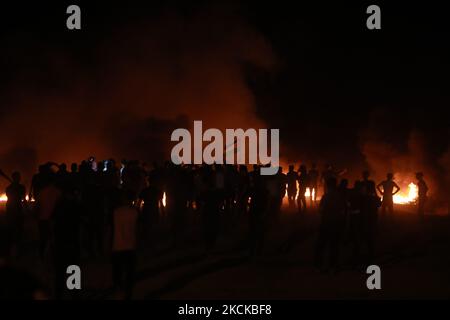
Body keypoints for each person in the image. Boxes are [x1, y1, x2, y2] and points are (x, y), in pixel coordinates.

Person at [314, 177, 346, 273]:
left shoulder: (326, 196)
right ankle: (333, 266)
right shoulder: (340, 196)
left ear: (328, 186)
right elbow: (343, 209)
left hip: (326, 223)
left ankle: (320, 266)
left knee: (322, 245)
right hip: (337, 223)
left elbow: (321, 210)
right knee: (334, 245)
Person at [111, 191, 139, 299]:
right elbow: (137, 228)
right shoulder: (134, 212)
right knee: (129, 271)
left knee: (117, 270)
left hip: (117, 245)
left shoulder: (116, 212)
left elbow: (113, 228)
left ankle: (118, 288)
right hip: (130, 245)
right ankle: (128, 292)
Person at [5, 172, 26, 251]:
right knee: (17, 227)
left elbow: (9, 196)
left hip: (11, 207)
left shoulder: (9, 187)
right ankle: (16, 245)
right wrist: (26, 209)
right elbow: (22, 199)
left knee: (13, 227)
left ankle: (13, 245)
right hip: (16, 208)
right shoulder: (21, 187)